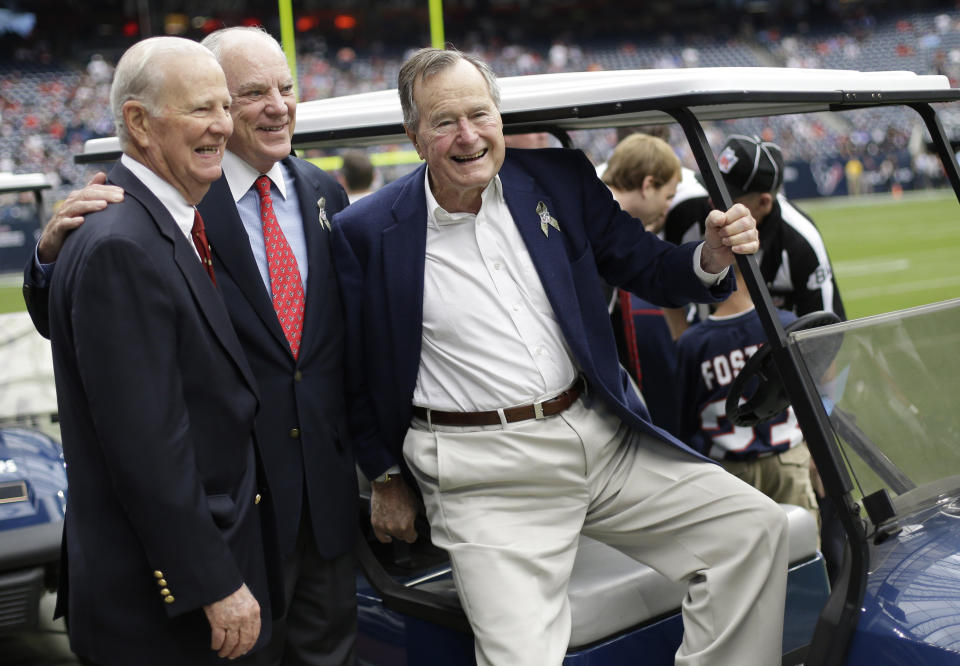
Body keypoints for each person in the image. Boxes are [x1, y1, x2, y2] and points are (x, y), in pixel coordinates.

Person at [331, 47, 788, 666]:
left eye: (480, 114)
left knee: (754, 530)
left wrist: (708, 257)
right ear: (414, 136)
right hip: (485, 479)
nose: (468, 136)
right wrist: (385, 476)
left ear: (499, 116)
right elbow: (355, 372)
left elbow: (647, 266)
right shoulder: (366, 230)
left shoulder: (557, 181)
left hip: (602, 438)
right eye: (444, 122)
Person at [23, 27, 358, 666]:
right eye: (238, 97)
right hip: (208, 539)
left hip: (319, 511)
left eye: (285, 89)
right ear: (142, 124)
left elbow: (336, 350)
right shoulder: (146, 217)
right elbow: (141, 427)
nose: (270, 108)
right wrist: (48, 260)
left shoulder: (322, 193)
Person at [44, 36, 278, 664]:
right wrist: (214, 582)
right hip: (168, 610)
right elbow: (148, 448)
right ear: (139, 123)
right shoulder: (124, 243)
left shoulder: (154, 225)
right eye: (202, 109)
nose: (223, 127)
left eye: (225, 108)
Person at [675, 262, 820, 526]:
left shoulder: (693, 343)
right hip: (788, 459)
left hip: (730, 472)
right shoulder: (785, 323)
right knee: (804, 549)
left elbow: (685, 419)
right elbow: (810, 398)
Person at [664, 134, 846, 325]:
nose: (711, 200)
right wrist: (685, 347)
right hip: (703, 348)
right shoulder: (685, 213)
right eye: (711, 187)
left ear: (763, 202)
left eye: (725, 196)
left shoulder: (800, 241)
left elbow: (826, 329)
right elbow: (667, 288)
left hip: (776, 351)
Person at [601, 132, 683, 435]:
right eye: (669, 195)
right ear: (648, 185)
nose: (668, 207)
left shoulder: (599, 216)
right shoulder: (599, 224)